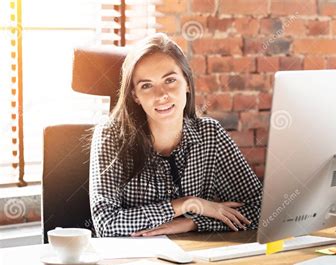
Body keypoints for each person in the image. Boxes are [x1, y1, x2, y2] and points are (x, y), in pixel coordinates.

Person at [89, 33, 262, 237]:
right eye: (146, 85)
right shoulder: (111, 136)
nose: (161, 95)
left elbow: (260, 210)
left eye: (170, 80)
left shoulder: (210, 134)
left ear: (187, 82)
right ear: (135, 95)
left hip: (198, 259)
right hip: (132, 262)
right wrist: (186, 204)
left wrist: (193, 222)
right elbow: (106, 225)